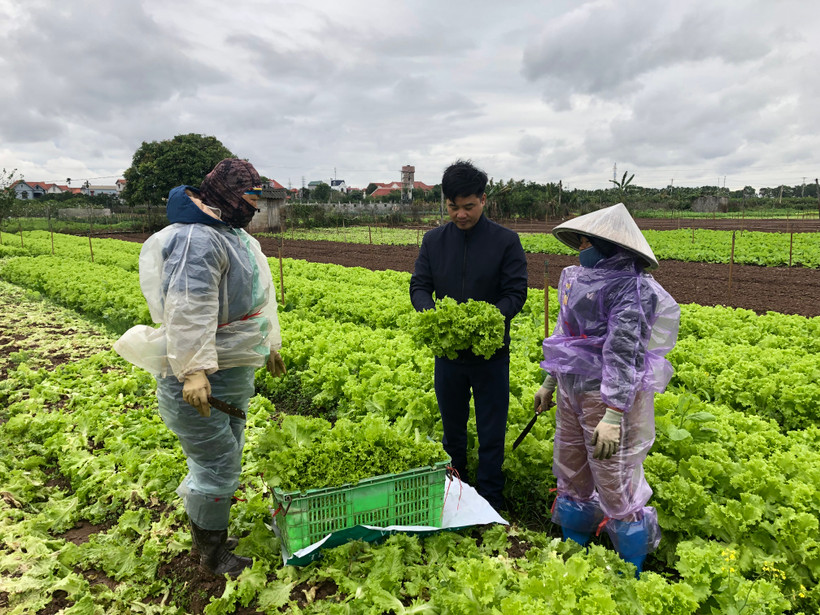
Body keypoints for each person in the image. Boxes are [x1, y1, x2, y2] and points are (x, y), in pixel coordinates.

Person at [114, 158, 286, 577]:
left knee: (225, 452)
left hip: (228, 369)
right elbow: (189, 306)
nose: (254, 205)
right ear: (225, 193)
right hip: (200, 379)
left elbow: (260, 296)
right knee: (218, 464)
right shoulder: (198, 239)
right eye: (249, 196)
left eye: (256, 198)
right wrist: (192, 369)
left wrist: (270, 343)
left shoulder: (231, 233)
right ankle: (210, 557)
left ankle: (210, 534)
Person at [533, 202, 680, 575]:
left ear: (607, 245)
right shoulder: (576, 278)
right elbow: (564, 336)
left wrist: (614, 413)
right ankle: (573, 545)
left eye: (585, 241)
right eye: (580, 241)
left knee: (614, 478)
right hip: (572, 390)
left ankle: (631, 563)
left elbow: (624, 353)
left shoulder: (633, 289)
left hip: (606, 396)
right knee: (572, 468)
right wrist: (549, 381)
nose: (580, 247)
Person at [410, 160, 528, 512]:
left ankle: (490, 497)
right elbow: (420, 286)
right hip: (449, 358)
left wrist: (491, 317)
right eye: (452, 207)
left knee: (492, 429)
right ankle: (456, 493)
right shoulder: (433, 241)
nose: (460, 215)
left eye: (468, 207)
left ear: (483, 200)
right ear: (445, 203)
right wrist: (432, 314)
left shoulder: (506, 241)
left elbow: (515, 291)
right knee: (453, 429)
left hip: (491, 356)